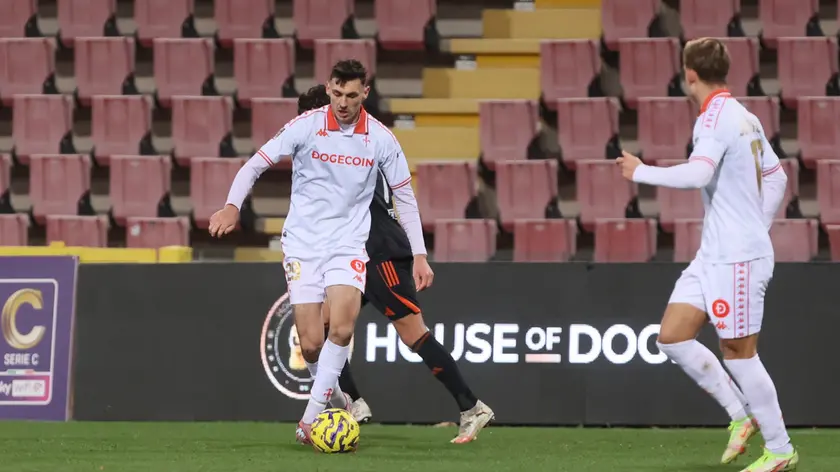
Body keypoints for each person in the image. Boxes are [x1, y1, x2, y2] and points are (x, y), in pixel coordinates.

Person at [209, 60, 434, 446]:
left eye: (351, 95)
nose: (343, 103)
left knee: (343, 327)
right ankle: (340, 400)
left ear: (365, 93)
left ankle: (310, 420)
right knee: (311, 343)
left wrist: (419, 254)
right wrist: (232, 205)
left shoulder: (380, 139)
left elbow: (405, 198)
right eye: (336, 93)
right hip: (303, 244)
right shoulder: (307, 125)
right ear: (328, 88)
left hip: (347, 244)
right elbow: (255, 165)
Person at [617, 38, 798, 472]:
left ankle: (780, 449)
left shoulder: (715, 118)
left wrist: (640, 171)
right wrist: (757, 222)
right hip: (715, 254)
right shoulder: (746, 117)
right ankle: (743, 415)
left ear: (690, 73)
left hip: (736, 257)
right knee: (673, 336)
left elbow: (701, 172)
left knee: (739, 352)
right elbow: (778, 178)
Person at [294, 84, 495, 444]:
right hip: (358, 253)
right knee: (323, 328)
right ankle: (353, 402)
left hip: (380, 252)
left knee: (413, 334)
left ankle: (472, 407)